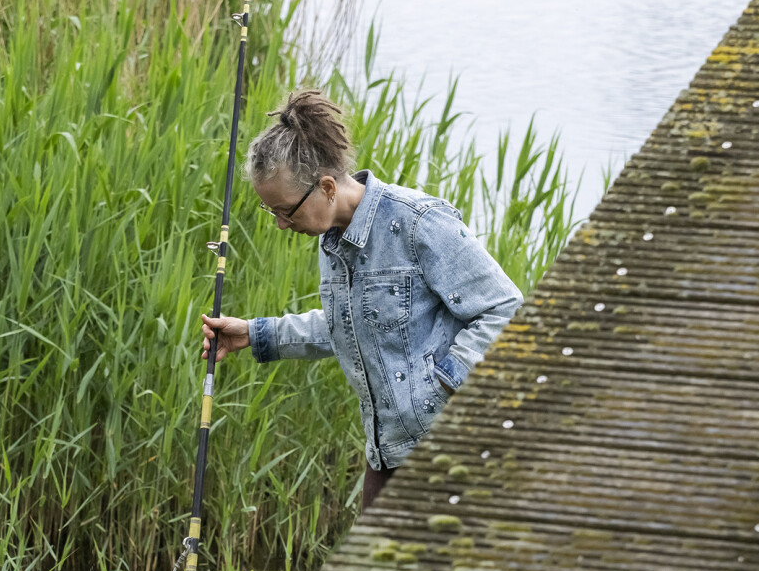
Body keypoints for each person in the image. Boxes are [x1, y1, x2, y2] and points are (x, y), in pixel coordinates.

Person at [201, 90, 523, 509]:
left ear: (328, 187)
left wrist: (440, 387)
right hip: (386, 456)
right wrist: (254, 334)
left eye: (285, 211)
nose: (281, 225)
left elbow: (504, 308)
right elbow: (349, 322)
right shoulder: (330, 243)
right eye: (272, 212)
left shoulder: (418, 222)